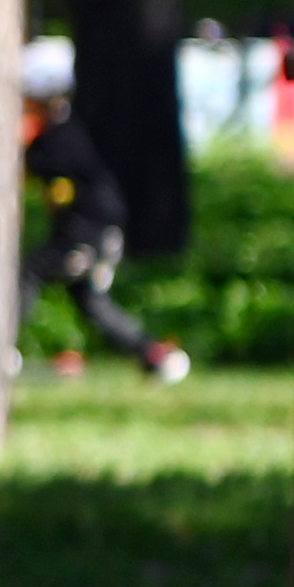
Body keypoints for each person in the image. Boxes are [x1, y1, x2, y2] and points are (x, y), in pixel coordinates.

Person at [22, 37, 191, 383]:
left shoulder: (60, 135)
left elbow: (34, 164)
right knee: (90, 301)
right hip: (93, 227)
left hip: (88, 229)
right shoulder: (60, 131)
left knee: (29, 273)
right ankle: (151, 354)